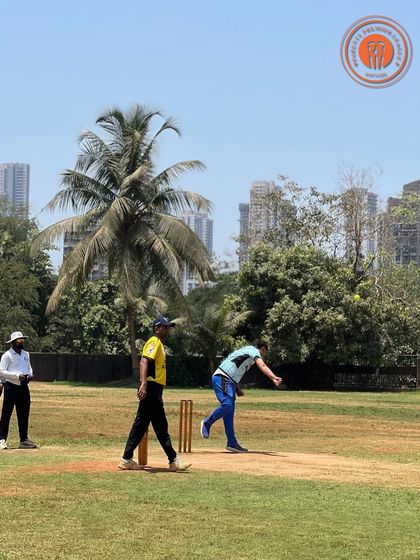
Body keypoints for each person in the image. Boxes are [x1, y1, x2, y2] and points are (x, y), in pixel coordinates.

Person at [118, 316, 191, 471]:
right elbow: (144, 361)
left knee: (144, 424)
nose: (167, 330)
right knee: (159, 425)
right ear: (156, 328)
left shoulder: (159, 344)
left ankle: (127, 458)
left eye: (168, 327)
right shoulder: (153, 342)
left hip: (155, 388)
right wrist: (143, 384)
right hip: (151, 387)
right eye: (164, 327)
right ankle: (173, 460)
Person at [200, 339, 282, 452]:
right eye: (264, 352)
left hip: (229, 381)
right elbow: (262, 365)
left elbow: (235, 369)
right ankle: (207, 422)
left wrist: (237, 388)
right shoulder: (253, 350)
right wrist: (273, 377)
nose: (263, 355)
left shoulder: (246, 353)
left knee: (229, 411)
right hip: (222, 377)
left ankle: (232, 443)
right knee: (227, 405)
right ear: (262, 348)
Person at [0, 331, 38, 450]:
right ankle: (1, 439)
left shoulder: (26, 354)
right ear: (12, 343)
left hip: (23, 386)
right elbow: (1, 371)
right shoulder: (7, 355)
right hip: (11, 387)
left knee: (24, 413)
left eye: (22, 340)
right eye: (18, 340)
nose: (21, 342)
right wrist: (17, 376)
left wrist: (30, 375)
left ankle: (24, 440)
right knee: (6, 414)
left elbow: (29, 367)